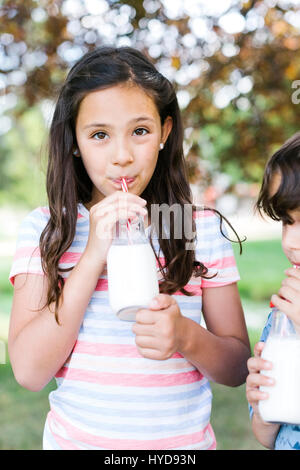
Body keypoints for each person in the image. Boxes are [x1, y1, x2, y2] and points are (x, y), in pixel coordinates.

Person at [8, 46, 250, 450]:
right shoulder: (50, 230)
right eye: (99, 135)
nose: (122, 157)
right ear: (74, 141)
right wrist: (93, 254)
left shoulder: (194, 228)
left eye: (140, 131)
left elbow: (237, 366)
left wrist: (186, 337)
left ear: (164, 132)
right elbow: (30, 372)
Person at [246, 132, 300, 450]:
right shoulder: (282, 318)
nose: (291, 242)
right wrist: (265, 412)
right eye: (287, 221)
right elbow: (268, 437)